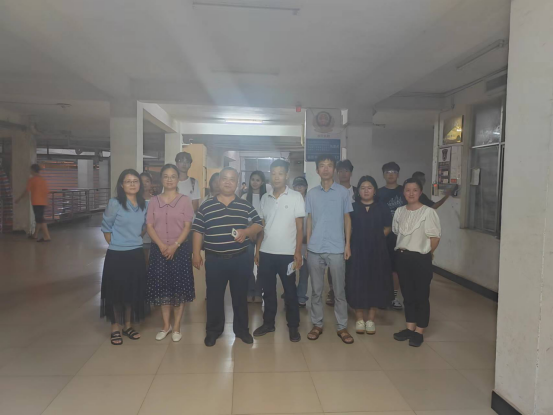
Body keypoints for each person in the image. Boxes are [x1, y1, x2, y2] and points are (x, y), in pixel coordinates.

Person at [192, 167, 263, 347]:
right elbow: (198, 230)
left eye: (232, 179)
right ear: (218, 181)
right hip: (214, 259)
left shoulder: (244, 205)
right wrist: (196, 253)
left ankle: (242, 330)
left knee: (239, 296)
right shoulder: (206, 206)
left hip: (240, 259)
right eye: (224, 178)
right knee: (214, 296)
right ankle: (213, 331)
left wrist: (246, 232)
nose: (228, 182)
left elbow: (259, 223)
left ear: (237, 183)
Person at [253, 160, 305, 342]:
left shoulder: (296, 197)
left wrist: (297, 252)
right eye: (273, 173)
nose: (276, 177)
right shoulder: (265, 198)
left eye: (280, 173)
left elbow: (300, 228)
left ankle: (293, 326)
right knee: (267, 291)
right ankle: (268, 323)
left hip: (287, 254)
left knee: (290, 292)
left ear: (287, 175)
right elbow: (261, 227)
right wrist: (258, 250)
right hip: (266, 252)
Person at [305, 154, 354, 344]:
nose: (325, 169)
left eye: (329, 165)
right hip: (315, 248)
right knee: (316, 291)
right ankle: (317, 324)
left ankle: (342, 327)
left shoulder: (343, 192)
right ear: (317, 170)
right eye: (322, 166)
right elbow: (309, 220)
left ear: (334, 170)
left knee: (339, 291)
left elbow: (347, 219)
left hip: (336, 248)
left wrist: (347, 244)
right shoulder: (311, 194)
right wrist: (308, 244)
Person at [146, 164, 195, 343]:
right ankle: (166, 326)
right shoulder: (154, 201)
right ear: (161, 179)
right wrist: (161, 245)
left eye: (173, 176)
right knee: (163, 288)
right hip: (158, 250)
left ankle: (177, 327)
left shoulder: (185, 200)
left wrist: (175, 245)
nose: (169, 179)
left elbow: (187, 226)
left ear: (177, 179)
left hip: (179, 250)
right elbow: (149, 225)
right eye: (166, 176)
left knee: (179, 288)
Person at [100, 169, 149, 345]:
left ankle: (128, 326)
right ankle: (115, 328)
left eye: (135, 181)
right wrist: (117, 244)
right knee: (116, 293)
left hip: (136, 253)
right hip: (117, 255)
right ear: (122, 185)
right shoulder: (115, 203)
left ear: (140, 184)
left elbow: (145, 227)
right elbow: (106, 227)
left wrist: (134, 239)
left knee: (132, 292)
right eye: (128, 181)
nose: (132, 184)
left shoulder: (144, 205)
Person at [392, 178, 441, 347]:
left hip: (420, 258)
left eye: (415, 190)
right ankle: (410, 327)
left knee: (421, 295)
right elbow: (397, 232)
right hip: (402, 257)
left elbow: (435, 238)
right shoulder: (399, 211)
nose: (411, 193)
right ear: (403, 192)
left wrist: (425, 254)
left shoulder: (428, 212)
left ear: (420, 192)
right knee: (407, 295)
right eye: (407, 190)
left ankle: (419, 331)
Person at [346, 176, 394, 335]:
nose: (366, 191)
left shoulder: (382, 207)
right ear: (358, 191)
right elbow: (348, 228)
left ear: (375, 190)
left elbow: (388, 227)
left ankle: (371, 319)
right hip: (357, 250)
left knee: (376, 281)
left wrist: (376, 238)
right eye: (362, 188)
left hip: (377, 250)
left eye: (369, 188)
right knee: (357, 282)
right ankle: (359, 318)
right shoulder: (352, 207)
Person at [325, 159, 357, 306]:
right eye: (341, 171)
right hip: (335, 232)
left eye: (346, 171)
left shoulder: (356, 191)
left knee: (351, 264)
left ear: (351, 173)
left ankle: (349, 291)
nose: (344, 174)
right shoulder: (332, 190)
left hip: (354, 233)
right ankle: (333, 291)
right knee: (333, 263)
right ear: (337, 173)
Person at [379, 161, 406, 310]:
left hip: (401, 237)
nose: (391, 175)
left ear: (398, 174)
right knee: (382, 267)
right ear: (383, 175)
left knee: (397, 269)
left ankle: (394, 297)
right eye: (388, 172)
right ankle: (382, 295)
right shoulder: (378, 193)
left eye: (394, 172)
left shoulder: (405, 191)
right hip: (383, 236)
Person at [242, 171, 267, 303]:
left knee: (262, 263)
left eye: (258, 180)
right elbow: (242, 217)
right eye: (253, 179)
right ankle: (249, 289)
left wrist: (258, 231)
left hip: (264, 234)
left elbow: (266, 218)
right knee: (247, 264)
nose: (255, 182)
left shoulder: (267, 197)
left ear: (262, 182)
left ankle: (258, 291)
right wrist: (250, 230)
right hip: (248, 235)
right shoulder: (244, 197)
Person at [15, 164, 51, 242]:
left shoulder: (32, 180)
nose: (30, 171)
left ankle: (47, 236)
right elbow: (46, 192)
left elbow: (26, 191)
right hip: (43, 202)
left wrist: (19, 199)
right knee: (38, 219)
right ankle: (35, 235)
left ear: (33, 170)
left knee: (40, 219)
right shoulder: (43, 180)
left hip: (36, 202)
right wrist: (47, 202)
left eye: (30, 170)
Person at [292, 176, 309, 307]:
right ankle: (290, 293)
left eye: (301, 185)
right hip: (291, 241)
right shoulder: (290, 200)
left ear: (306, 187)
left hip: (306, 242)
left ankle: (301, 295)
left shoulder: (310, 202)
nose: (299, 188)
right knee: (290, 269)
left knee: (304, 270)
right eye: (297, 185)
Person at [140, 172, 155, 266]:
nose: (144, 184)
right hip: (138, 239)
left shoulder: (156, 200)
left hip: (153, 239)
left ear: (151, 183)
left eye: (147, 181)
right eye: (142, 181)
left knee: (151, 263)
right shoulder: (134, 200)